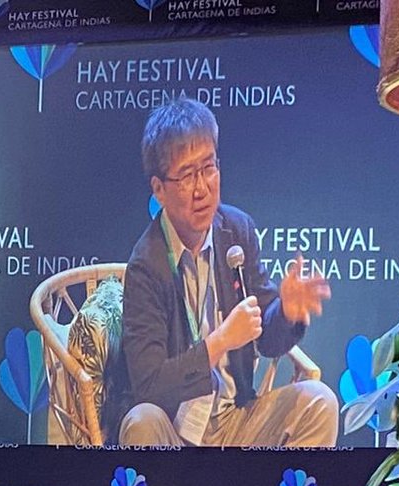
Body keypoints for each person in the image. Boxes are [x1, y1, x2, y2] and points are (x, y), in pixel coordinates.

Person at [119, 97, 338, 448]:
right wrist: (220, 341)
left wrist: (286, 312)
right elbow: (149, 385)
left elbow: (267, 340)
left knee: (319, 401)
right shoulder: (147, 266)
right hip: (174, 431)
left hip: (237, 418)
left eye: (208, 167)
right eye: (187, 175)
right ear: (159, 189)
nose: (202, 188)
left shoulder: (237, 231)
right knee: (141, 421)